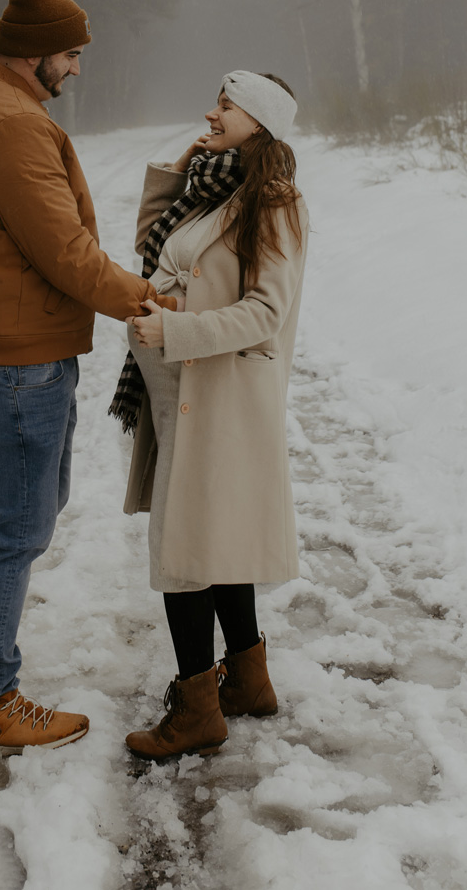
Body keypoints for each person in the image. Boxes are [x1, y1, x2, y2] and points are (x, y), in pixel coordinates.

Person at [0, 0, 176, 755]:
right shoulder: (11, 125)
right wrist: (144, 299)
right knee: (19, 522)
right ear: (37, 53)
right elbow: (64, 251)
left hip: (13, 345)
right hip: (11, 357)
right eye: (73, 53)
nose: (79, 67)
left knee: (22, 511)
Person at [110, 70, 308, 762]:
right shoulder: (213, 186)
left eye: (224, 105)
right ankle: (248, 681)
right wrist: (182, 168)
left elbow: (264, 314)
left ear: (258, 119)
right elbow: (152, 249)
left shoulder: (273, 203)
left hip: (218, 397)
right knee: (210, 538)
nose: (210, 112)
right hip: (180, 395)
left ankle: (197, 708)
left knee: (186, 553)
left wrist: (178, 330)